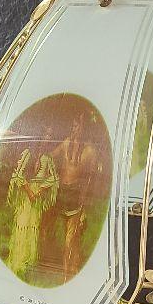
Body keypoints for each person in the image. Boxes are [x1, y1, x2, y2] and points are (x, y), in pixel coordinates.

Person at [51, 112, 99, 281]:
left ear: (84, 129)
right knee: (63, 237)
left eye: (77, 126)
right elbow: (51, 156)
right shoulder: (66, 143)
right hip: (61, 196)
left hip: (76, 199)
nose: (74, 129)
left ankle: (67, 276)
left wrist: (85, 203)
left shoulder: (90, 151)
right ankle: (73, 270)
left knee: (70, 241)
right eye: (73, 126)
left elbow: (92, 179)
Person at [6, 125, 58, 280]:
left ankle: (27, 265)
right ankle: (17, 263)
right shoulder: (28, 153)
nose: (48, 138)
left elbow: (54, 178)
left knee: (33, 226)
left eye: (51, 136)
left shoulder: (48, 159)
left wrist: (40, 190)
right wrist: (28, 190)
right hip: (25, 194)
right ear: (41, 136)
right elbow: (17, 174)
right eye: (47, 135)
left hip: (37, 197)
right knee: (22, 224)